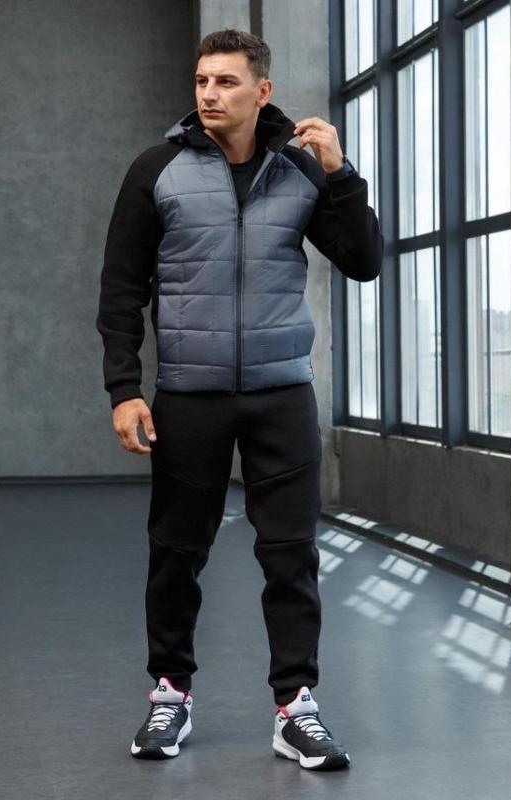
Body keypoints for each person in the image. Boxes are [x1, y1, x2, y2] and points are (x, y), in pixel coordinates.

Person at [96, 29, 383, 771]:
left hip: (281, 395)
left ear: (263, 91)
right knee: (175, 554)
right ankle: (169, 694)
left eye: (225, 82)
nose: (208, 94)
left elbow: (364, 261)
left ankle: (296, 708)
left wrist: (341, 173)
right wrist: (124, 389)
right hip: (189, 397)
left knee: (291, 557)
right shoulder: (156, 170)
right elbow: (121, 289)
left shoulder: (301, 171)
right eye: (202, 81)